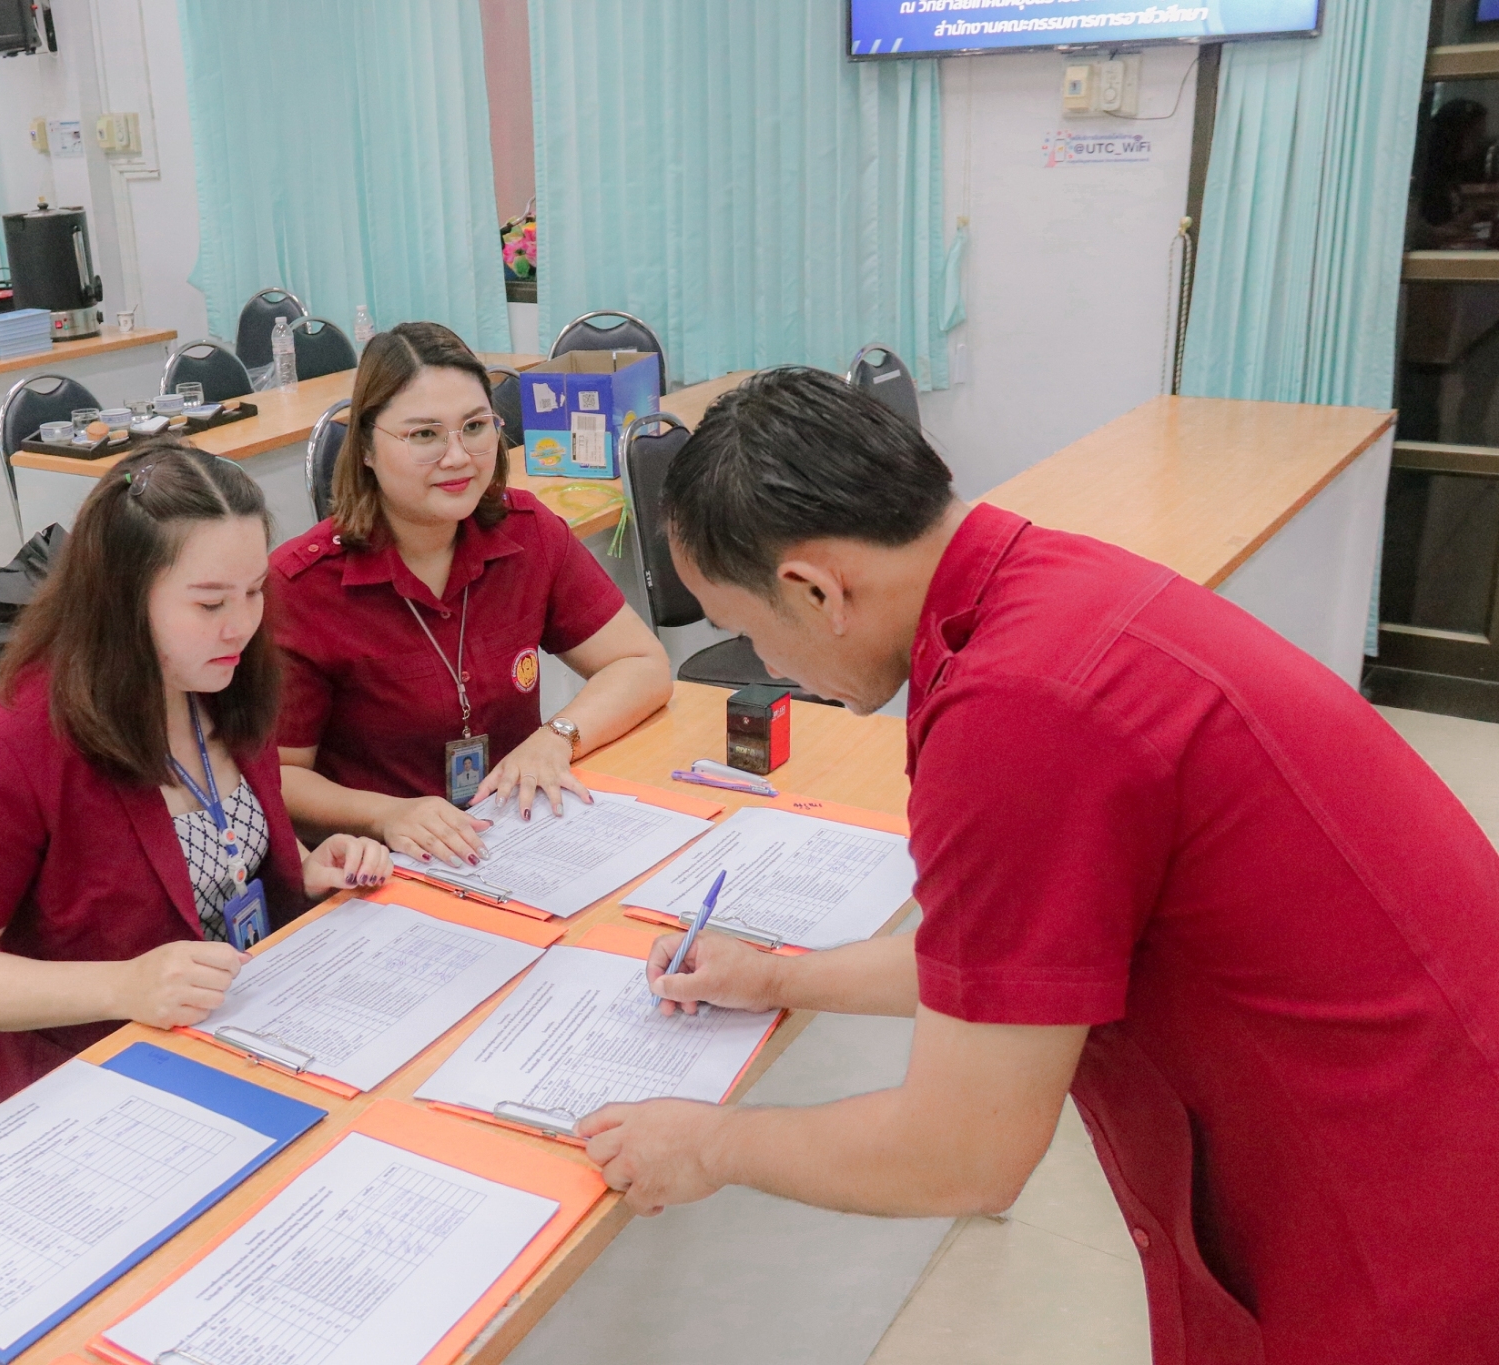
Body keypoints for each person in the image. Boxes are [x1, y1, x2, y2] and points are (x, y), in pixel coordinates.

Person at [575, 369, 1499, 1363]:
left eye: (750, 633)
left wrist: (710, 1145)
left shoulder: (1019, 710)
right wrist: (774, 978)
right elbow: (1010, 960)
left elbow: (961, 1153)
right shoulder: (1045, 584)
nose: (768, 666)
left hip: (1404, 1204)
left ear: (814, 588)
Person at [0, 441, 391, 1120]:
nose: (241, 626)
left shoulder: (226, 679)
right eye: (209, 603)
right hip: (87, 1088)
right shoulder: (8, 749)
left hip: (238, 1043)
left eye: (254, 592)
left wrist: (301, 866)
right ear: (122, 599)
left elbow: (219, 851)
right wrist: (123, 986)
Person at [271, 322, 672, 864]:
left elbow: (641, 663)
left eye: (476, 427)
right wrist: (387, 814)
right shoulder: (300, 586)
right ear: (365, 447)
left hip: (511, 839)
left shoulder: (526, 532)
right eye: (424, 435)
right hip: (385, 865)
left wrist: (557, 737)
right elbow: (277, 776)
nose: (458, 457)